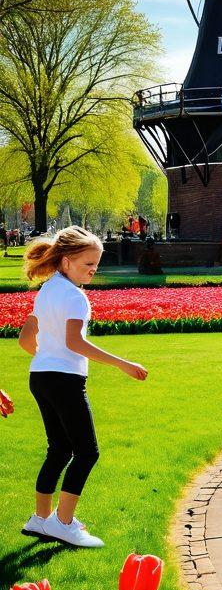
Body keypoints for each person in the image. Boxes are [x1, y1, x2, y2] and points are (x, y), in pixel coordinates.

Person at [18, 227, 148, 548]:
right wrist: (122, 363)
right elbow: (75, 341)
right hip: (64, 380)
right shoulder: (76, 297)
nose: (93, 269)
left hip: (41, 377)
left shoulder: (47, 289)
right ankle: (62, 523)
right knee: (87, 452)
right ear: (65, 262)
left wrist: (49, 357)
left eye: (96, 264)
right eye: (87, 264)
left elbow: (24, 339)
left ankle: (40, 520)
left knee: (59, 449)